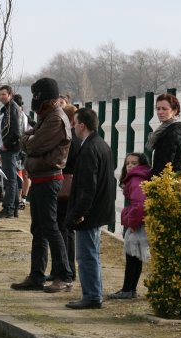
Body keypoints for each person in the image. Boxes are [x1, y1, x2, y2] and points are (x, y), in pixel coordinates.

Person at [10, 77, 73, 294]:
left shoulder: (55, 118)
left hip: (49, 179)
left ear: (44, 97)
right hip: (40, 178)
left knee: (50, 227)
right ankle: (37, 275)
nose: (34, 100)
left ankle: (64, 274)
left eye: (36, 95)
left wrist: (28, 141)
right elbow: (28, 138)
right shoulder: (47, 116)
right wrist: (29, 140)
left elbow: (34, 144)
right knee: (39, 228)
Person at [64, 108, 116, 309]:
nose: (72, 126)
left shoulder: (88, 149)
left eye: (74, 123)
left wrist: (79, 213)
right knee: (90, 253)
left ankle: (92, 295)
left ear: (82, 125)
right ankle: (94, 293)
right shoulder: (101, 144)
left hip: (90, 213)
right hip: (98, 209)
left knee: (86, 255)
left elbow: (87, 186)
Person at [109, 152, 152, 299]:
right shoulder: (141, 177)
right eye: (128, 163)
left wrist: (133, 223)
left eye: (134, 163)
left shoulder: (136, 180)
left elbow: (140, 204)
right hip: (141, 222)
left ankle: (127, 289)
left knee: (132, 257)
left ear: (141, 165)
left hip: (137, 224)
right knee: (136, 257)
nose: (130, 166)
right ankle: (130, 289)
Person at [48, 103, 80, 283]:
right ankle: (62, 268)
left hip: (64, 186)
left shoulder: (70, 140)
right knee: (65, 230)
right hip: (69, 186)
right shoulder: (76, 139)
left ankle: (65, 269)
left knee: (63, 229)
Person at [147, 92, 181, 177]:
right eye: (158, 109)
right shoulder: (164, 130)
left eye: (164, 109)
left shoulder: (173, 133)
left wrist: (156, 183)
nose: (160, 112)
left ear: (174, 111)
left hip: (168, 185)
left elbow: (167, 164)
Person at [0, 85, 22, 219]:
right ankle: (14, 207)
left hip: (9, 148)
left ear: (10, 94)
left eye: (4, 94)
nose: (1, 97)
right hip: (7, 148)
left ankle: (8, 209)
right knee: (13, 179)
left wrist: (6, 144)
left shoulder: (12, 109)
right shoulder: (7, 108)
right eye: (0, 94)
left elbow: (16, 132)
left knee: (10, 180)